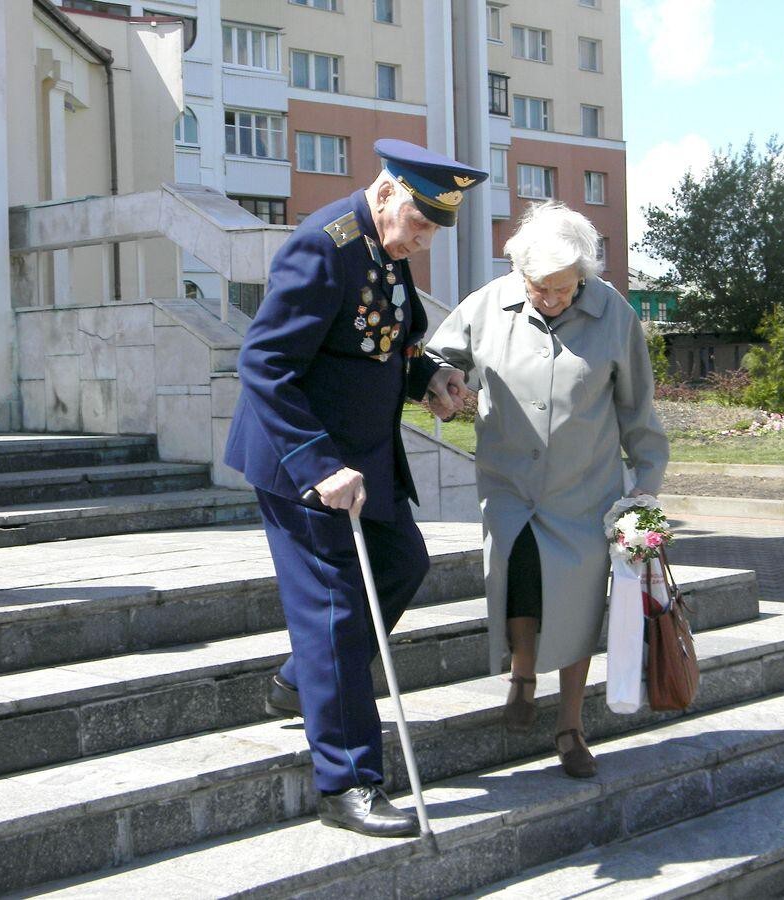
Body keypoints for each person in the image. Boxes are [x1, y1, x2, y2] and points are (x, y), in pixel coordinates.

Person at [223, 139, 486, 837]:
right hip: (305, 467)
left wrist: (428, 376)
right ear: (386, 191)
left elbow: (378, 345)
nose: (423, 241)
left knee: (404, 564)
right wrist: (317, 465)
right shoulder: (325, 247)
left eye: (435, 229)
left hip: (366, 459)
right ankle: (348, 783)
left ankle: (299, 681)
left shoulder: (387, 254)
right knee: (338, 613)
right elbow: (265, 363)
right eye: (420, 223)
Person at [425, 201, 668, 778]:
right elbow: (439, 360)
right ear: (520, 273)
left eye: (564, 288)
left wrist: (646, 506)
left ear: (585, 274)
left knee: (580, 608)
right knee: (521, 585)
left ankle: (571, 726)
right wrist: (442, 386)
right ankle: (523, 677)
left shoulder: (615, 314)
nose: (552, 298)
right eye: (540, 288)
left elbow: (639, 416)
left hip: (588, 493)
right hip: (511, 486)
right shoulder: (487, 303)